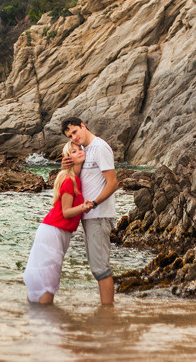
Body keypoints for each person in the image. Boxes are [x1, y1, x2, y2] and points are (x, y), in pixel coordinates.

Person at [23, 140, 92, 304]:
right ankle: (46, 322)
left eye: (80, 149)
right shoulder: (69, 180)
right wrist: (83, 207)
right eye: (74, 151)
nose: (80, 151)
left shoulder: (75, 178)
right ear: (68, 158)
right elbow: (67, 213)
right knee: (48, 280)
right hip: (53, 232)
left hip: (57, 231)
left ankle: (36, 318)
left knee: (46, 277)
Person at [60, 116, 119, 306]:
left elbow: (113, 183)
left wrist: (94, 202)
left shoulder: (100, 147)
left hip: (99, 214)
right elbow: (76, 178)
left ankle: (108, 313)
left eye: (75, 132)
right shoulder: (83, 150)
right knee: (96, 267)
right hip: (88, 214)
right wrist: (65, 168)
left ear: (83, 126)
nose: (74, 137)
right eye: (70, 136)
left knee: (101, 267)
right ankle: (106, 309)